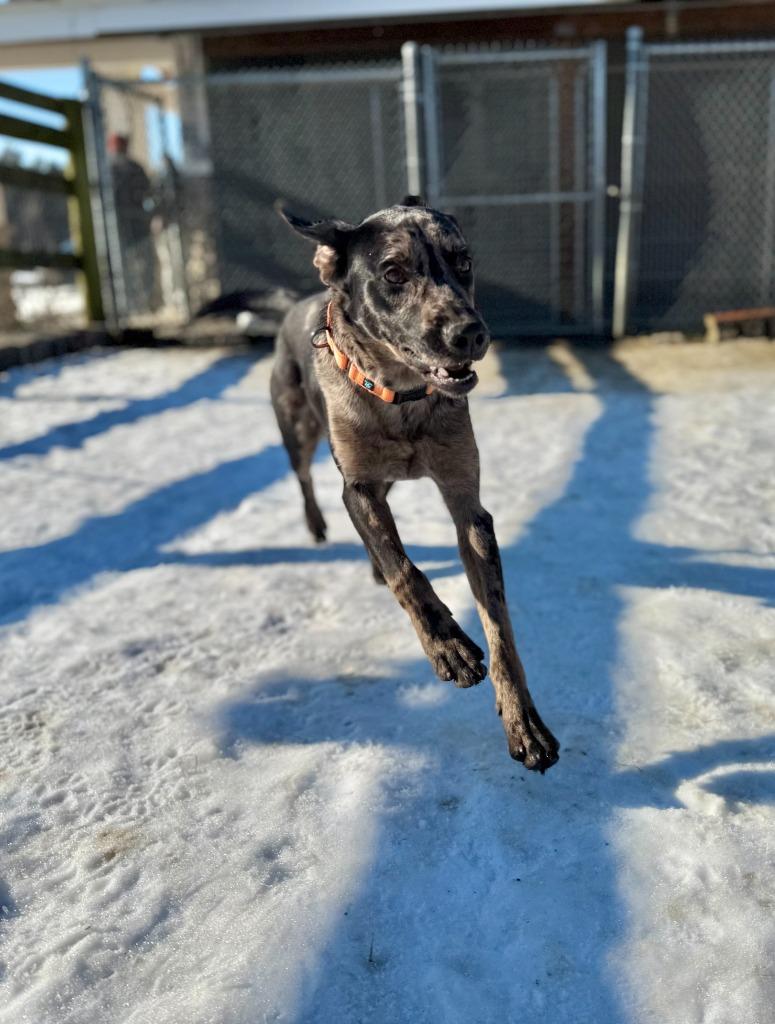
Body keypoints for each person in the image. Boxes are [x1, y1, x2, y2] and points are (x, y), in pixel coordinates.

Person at [107, 133, 157, 316]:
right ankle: (143, 302)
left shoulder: (107, 169)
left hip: (121, 225)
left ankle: (130, 305)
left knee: (124, 265)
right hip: (135, 223)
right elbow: (148, 193)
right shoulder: (133, 167)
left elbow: (148, 193)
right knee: (142, 263)